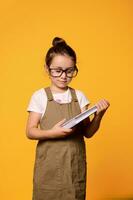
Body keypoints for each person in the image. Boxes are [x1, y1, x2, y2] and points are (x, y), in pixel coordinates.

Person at [26, 37, 110, 200]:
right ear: (47, 68)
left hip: (74, 169)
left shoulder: (79, 96)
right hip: (48, 169)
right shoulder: (40, 96)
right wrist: (52, 133)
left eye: (70, 71)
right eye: (58, 70)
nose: (64, 76)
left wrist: (99, 115)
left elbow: (88, 132)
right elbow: (30, 131)